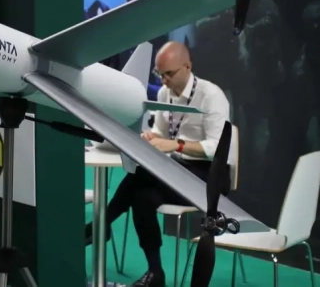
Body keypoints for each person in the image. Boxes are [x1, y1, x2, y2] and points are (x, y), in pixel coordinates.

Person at [84, 41, 231, 287]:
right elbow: (161, 132)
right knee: (141, 197)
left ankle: (102, 224)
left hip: (210, 178)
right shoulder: (165, 93)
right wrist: (151, 137)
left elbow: (218, 148)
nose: (163, 80)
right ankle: (155, 272)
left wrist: (177, 145)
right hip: (176, 173)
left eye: (169, 74)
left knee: (140, 176)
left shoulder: (211, 96)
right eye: (159, 74)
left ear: (187, 67)